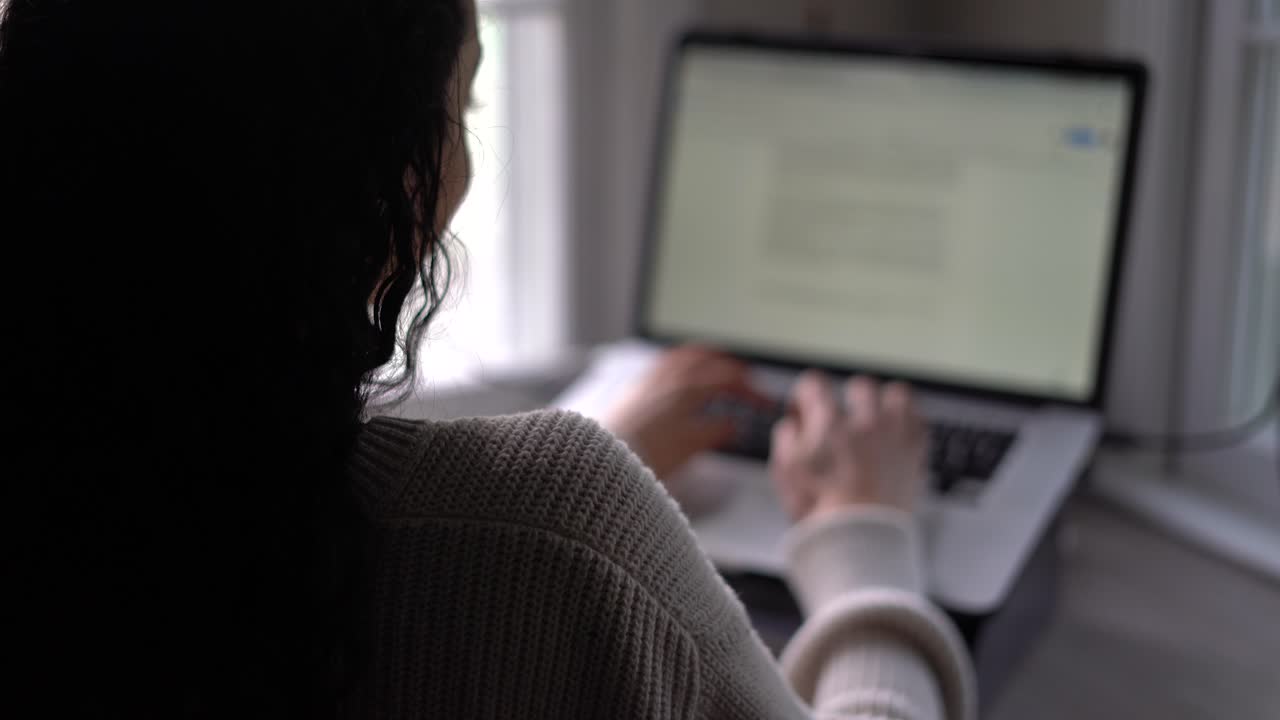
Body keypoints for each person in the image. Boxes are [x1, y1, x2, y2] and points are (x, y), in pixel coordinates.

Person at [1, 0, 974, 717]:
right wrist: (864, 541)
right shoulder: (549, 539)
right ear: (389, 184)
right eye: (458, 110)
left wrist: (588, 472)